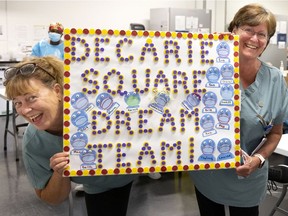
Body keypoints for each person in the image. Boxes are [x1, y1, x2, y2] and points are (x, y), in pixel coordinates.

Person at [4, 56, 138, 216]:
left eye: (31, 98)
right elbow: (50, 197)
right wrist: (59, 174)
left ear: (57, 91)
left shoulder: (91, 104)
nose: (24, 110)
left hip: (135, 168)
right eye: (17, 103)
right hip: (99, 185)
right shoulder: (34, 142)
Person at [189, 3, 288, 216]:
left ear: (267, 42)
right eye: (248, 30)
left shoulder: (275, 80)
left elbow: (276, 132)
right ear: (233, 31)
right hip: (208, 175)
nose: (254, 39)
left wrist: (259, 159)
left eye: (261, 34)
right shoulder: (206, 72)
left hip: (248, 180)